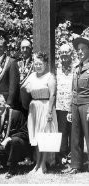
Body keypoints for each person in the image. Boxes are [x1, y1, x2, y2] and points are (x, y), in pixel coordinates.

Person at [21, 52, 58, 174]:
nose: (38, 66)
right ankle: (37, 164)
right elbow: (23, 87)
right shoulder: (31, 76)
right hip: (34, 108)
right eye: (36, 63)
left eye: (40, 64)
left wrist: (49, 112)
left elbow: (52, 95)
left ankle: (43, 165)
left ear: (46, 64)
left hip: (46, 107)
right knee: (36, 136)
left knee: (45, 136)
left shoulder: (50, 77)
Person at [0, 94, 29, 179]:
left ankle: (12, 169)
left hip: (20, 146)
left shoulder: (16, 114)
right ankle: (6, 165)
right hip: (5, 146)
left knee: (14, 141)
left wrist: (9, 138)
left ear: (4, 103)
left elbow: (25, 133)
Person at [66, 36, 89, 174]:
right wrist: (70, 109)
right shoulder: (76, 68)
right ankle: (76, 165)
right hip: (75, 105)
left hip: (87, 104)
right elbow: (73, 90)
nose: (80, 52)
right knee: (75, 136)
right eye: (78, 50)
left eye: (83, 49)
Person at [56, 44, 76, 167]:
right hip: (60, 106)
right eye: (61, 52)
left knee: (74, 132)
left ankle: (73, 156)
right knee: (62, 132)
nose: (64, 55)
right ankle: (62, 156)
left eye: (66, 52)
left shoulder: (76, 68)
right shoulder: (56, 69)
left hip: (73, 106)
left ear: (71, 54)